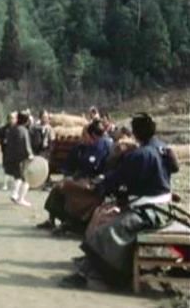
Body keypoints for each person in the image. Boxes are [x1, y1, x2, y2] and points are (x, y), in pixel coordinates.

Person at [63, 113, 179, 289]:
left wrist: (104, 186)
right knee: (103, 216)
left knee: (107, 230)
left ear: (135, 132)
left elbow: (118, 180)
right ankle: (89, 264)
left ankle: (101, 274)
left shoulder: (140, 154)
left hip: (150, 210)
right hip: (162, 207)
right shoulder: (162, 148)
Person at [37, 120, 112, 233]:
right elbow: (72, 165)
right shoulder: (81, 147)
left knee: (66, 187)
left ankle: (69, 222)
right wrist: (71, 175)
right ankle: (52, 219)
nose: (84, 138)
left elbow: (103, 167)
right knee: (59, 187)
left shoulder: (105, 146)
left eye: (86, 135)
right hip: (82, 177)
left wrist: (96, 179)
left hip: (94, 182)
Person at [5, 111, 34, 206]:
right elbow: (26, 145)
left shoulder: (13, 129)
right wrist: (30, 155)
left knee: (17, 177)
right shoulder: (23, 130)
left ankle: (14, 194)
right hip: (22, 158)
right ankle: (21, 198)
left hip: (12, 157)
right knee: (26, 179)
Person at [0, 112, 17, 191]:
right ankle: (5, 184)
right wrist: (3, 141)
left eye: (13, 118)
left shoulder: (19, 128)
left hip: (16, 151)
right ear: (7, 119)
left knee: (16, 169)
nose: (12, 120)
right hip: (6, 151)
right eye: (10, 118)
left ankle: (15, 185)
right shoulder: (2, 129)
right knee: (6, 168)